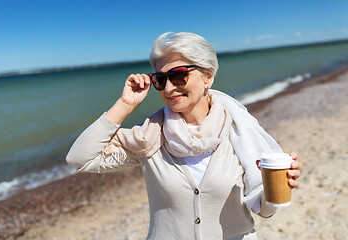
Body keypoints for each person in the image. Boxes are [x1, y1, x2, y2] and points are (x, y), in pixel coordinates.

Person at [66, 32, 300, 240]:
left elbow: (266, 211)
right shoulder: (149, 139)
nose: (168, 88)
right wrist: (125, 104)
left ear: (208, 76)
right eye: (160, 79)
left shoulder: (239, 131)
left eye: (178, 75)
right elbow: (80, 158)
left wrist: (278, 188)